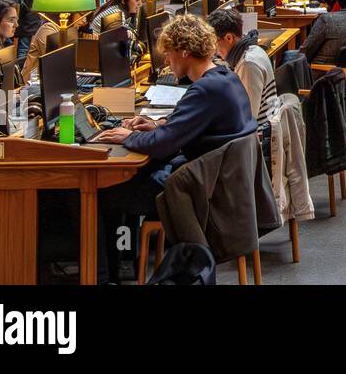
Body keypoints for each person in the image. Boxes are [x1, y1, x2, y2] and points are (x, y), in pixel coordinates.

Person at [94, 16, 257, 278]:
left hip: (200, 191)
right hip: (222, 186)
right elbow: (183, 128)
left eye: (169, 54)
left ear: (184, 52)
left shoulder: (205, 90)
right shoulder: (225, 78)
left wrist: (126, 136)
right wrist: (156, 124)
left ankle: (104, 273)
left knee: (102, 191)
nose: (167, 62)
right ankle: (124, 264)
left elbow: (162, 145)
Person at [208, 8, 277, 126]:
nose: (215, 51)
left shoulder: (248, 64)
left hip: (259, 136)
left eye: (215, 43)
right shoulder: (253, 49)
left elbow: (247, 117)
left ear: (229, 38)